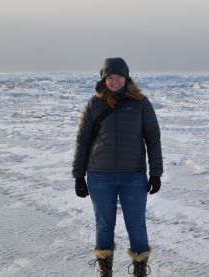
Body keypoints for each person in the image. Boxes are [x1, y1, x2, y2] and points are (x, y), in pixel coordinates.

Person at [72, 57, 163, 277]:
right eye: (109, 77)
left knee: (136, 225)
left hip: (133, 176)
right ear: (104, 80)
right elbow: (82, 140)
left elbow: (153, 138)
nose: (114, 81)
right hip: (99, 176)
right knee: (104, 225)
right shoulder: (94, 104)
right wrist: (78, 175)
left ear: (126, 78)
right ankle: (105, 270)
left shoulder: (141, 103)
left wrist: (156, 173)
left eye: (118, 77)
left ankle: (140, 270)